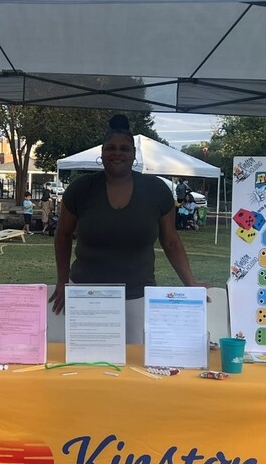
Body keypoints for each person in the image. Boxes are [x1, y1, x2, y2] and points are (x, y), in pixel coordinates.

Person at [51, 114, 206, 343]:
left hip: (138, 296)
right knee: (90, 366)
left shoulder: (157, 190)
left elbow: (171, 241)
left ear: (134, 155)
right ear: (101, 153)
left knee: (136, 366)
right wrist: (63, 281)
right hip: (86, 294)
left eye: (125, 149)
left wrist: (190, 283)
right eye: (111, 148)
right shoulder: (81, 189)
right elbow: (63, 236)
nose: (117, 153)